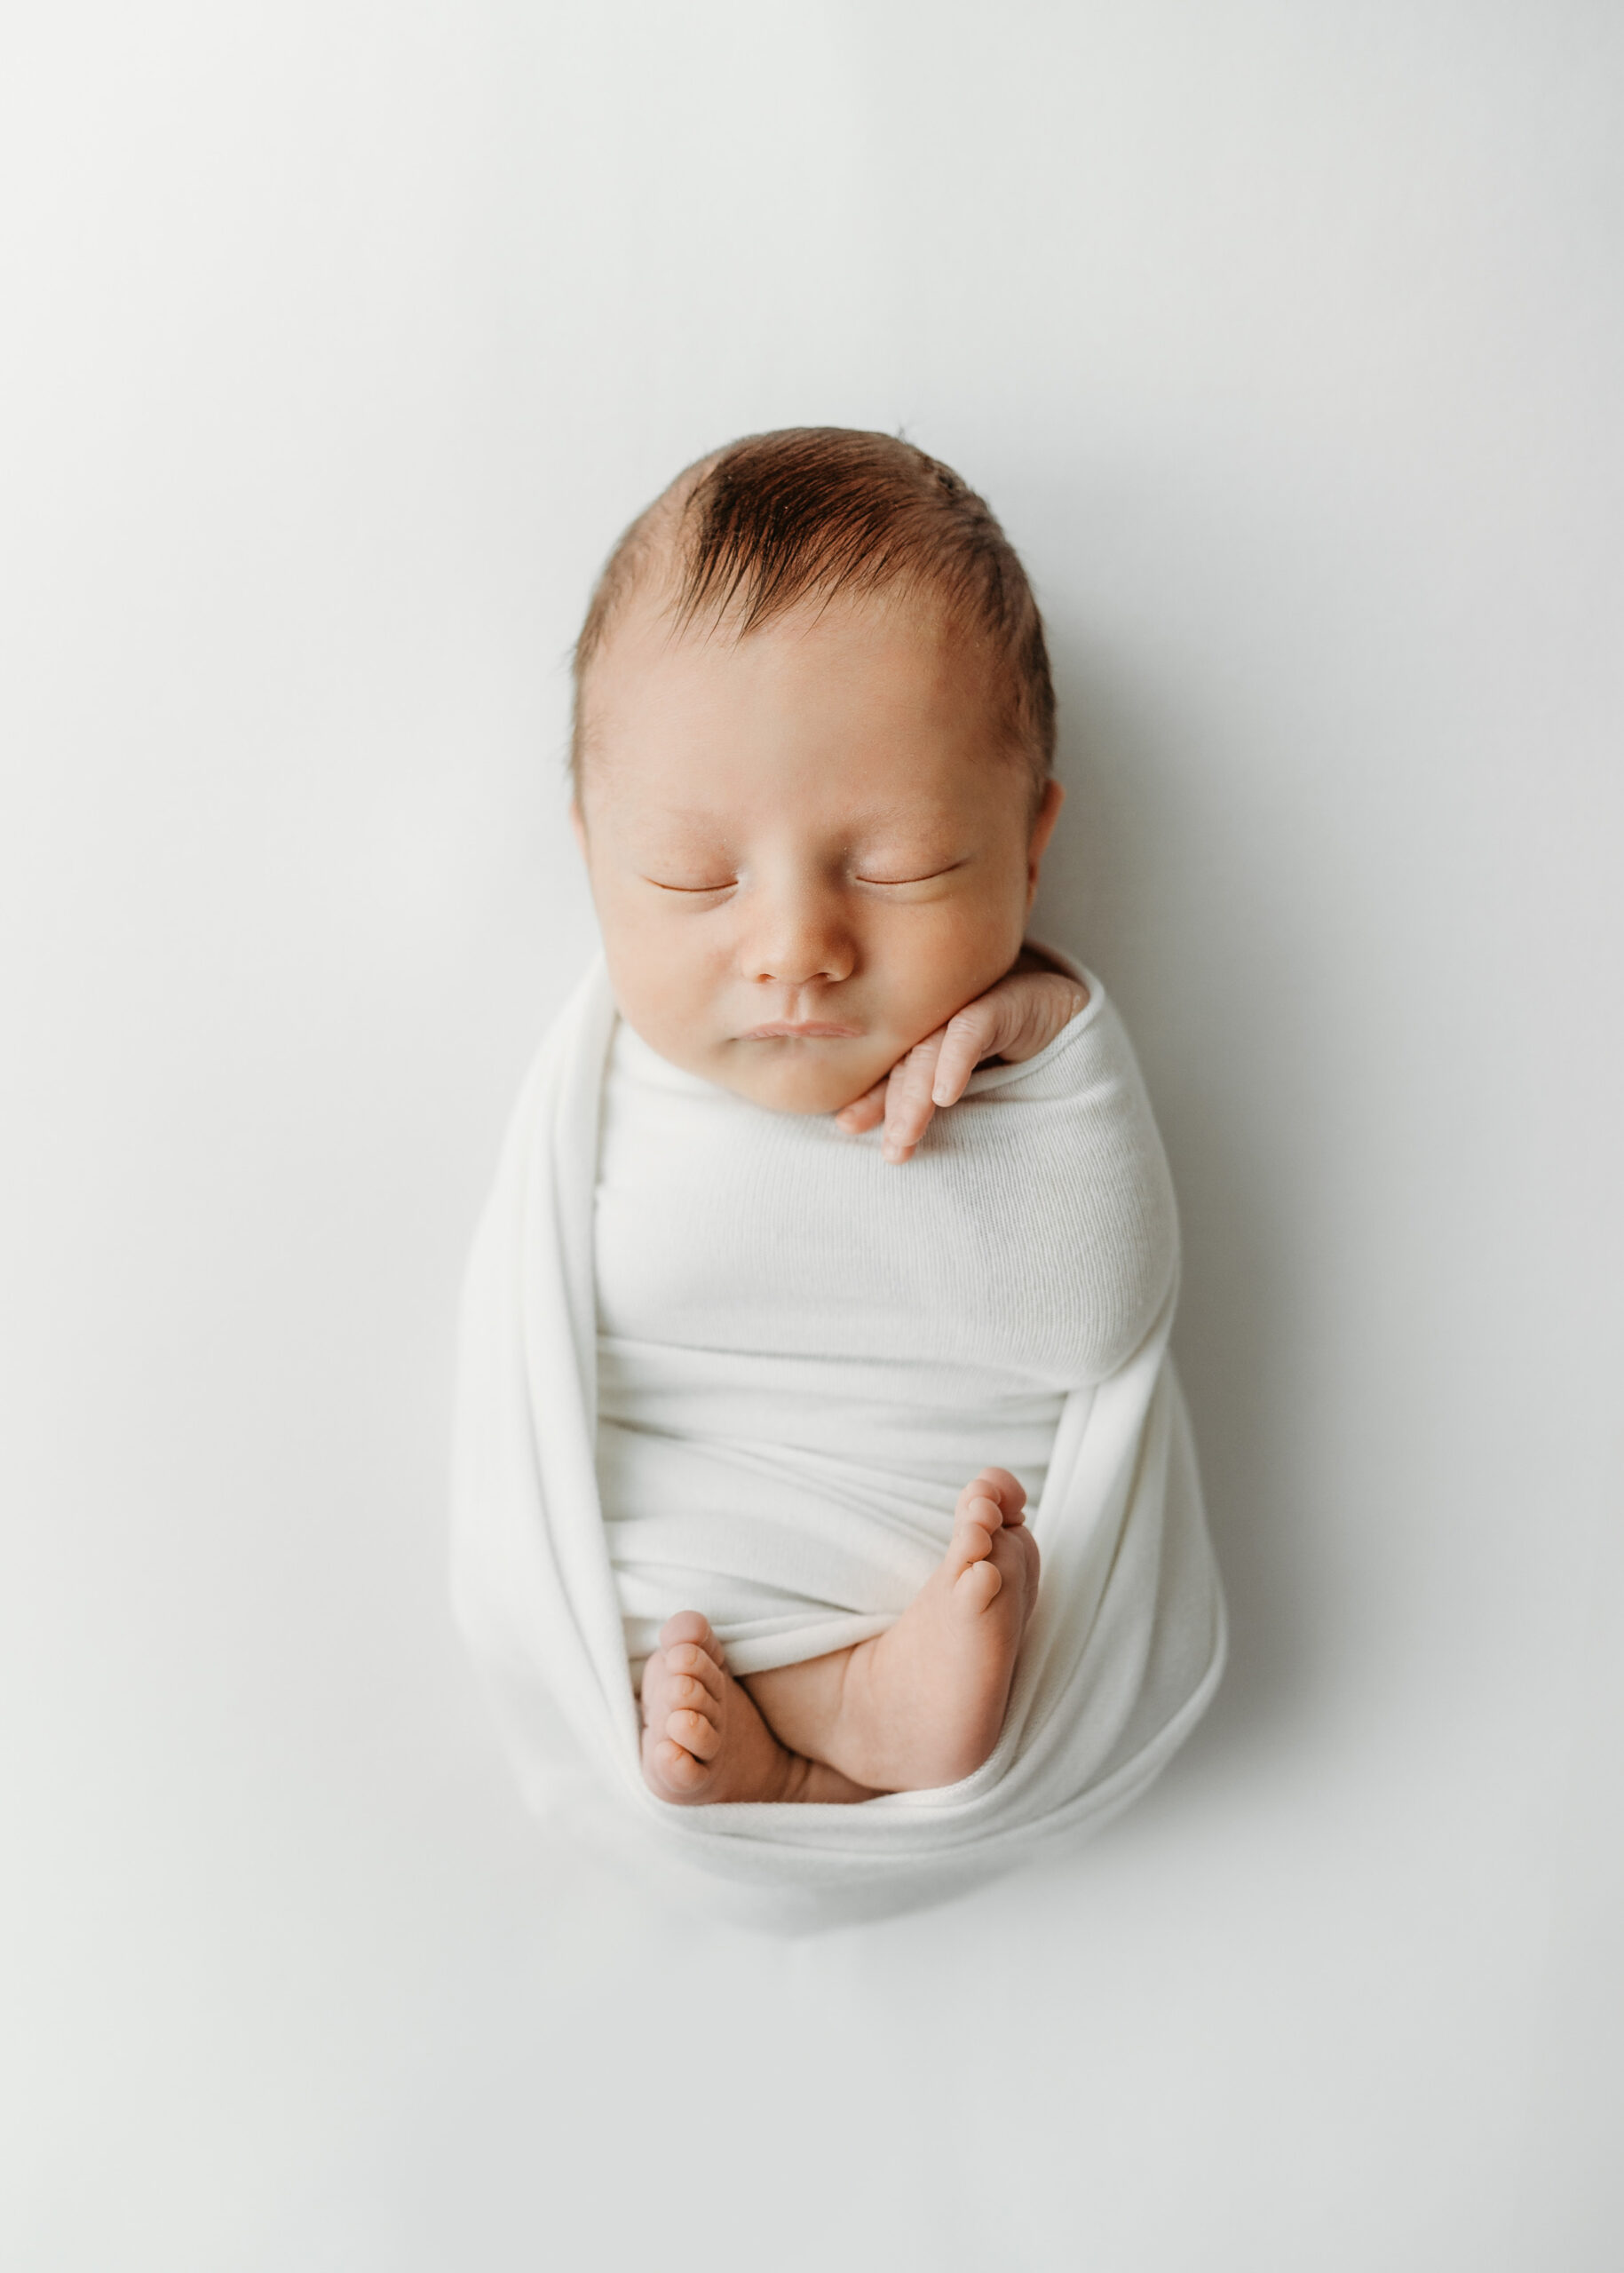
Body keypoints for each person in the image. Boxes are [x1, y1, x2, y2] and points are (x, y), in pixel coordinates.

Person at [567, 427, 1184, 1806]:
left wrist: (1054, 1034)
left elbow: (1099, 1320)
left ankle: (841, 1732)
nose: (794, 945)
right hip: (688, 1588)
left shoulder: (1004, 1076)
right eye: (687, 876)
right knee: (630, 1602)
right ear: (590, 854)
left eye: (900, 866)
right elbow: (537, 1398)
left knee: (983, 1573)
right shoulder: (604, 1093)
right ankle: (811, 1733)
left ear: (1030, 849)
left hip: (929, 1548)